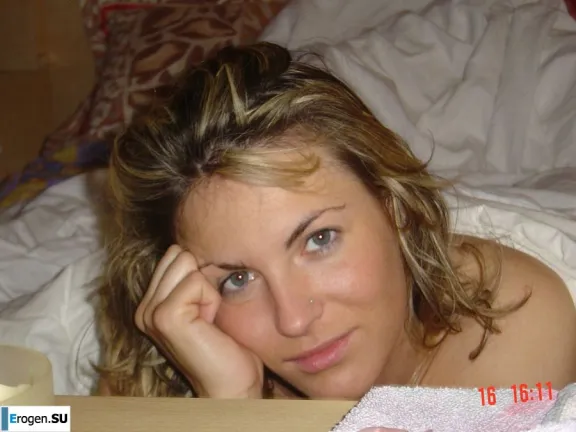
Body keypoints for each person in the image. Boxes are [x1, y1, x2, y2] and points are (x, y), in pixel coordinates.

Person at [96, 42, 576, 400]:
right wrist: (231, 403)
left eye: (319, 239)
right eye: (237, 279)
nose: (294, 319)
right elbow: (47, 421)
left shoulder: (507, 330)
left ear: (395, 207)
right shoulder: (178, 344)